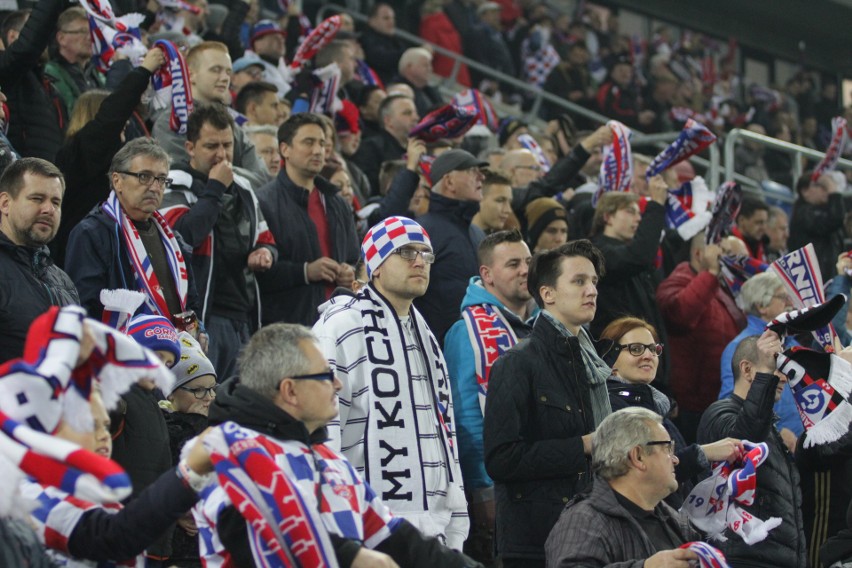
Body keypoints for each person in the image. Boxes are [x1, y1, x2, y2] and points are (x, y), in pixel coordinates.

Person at [200, 323, 481, 567]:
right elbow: (264, 537)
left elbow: (397, 540)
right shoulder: (230, 457)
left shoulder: (330, 461)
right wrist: (352, 557)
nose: (337, 384)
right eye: (324, 375)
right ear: (290, 390)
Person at [312, 216, 469, 548]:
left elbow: (444, 434)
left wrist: (457, 519)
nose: (419, 262)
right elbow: (322, 430)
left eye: (426, 254)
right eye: (406, 252)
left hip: (434, 530)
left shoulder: (425, 334)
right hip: (367, 528)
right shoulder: (340, 326)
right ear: (376, 266)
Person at [484, 240, 613, 567]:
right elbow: (501, 459)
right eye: (579, 281)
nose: (592, 290)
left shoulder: (590, 362)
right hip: (536, 541)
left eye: (594, 282)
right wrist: (581, 446)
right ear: (548, 294)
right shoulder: (517, 362)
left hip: (589, 531)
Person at [161, 104, 277, 380]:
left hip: (243, 316)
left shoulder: (244, 187)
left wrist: (265, 252)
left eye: (227, 145)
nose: (222, 154)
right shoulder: (174, 183)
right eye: (211, 145)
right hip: (202, 317)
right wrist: (214, 189)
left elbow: (265, 236)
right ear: (190, 147)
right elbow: (184, 237)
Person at [443, 229, 535, 563]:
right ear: (487, 274)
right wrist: (482, 489)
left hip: (546, 483)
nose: (526, 270)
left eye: (528, 261)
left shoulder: (547, 324)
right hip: (500, 488)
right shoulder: (466, 332)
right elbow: (465, 418)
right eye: (513, 264)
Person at [599, 317, 743, 507]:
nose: (648, 356)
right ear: (610, 358)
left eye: (653, 349)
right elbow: (645, 471)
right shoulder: (611, 408)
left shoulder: (657, 407)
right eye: (636, 349)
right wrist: (703, 453)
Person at [697, 332, 807, 568]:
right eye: (774, 367)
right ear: (746, 370)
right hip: (743, 560)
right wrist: (766, 377)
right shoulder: (719, 414)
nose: (784, 378)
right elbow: (746, 438)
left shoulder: (771, 428)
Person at [65, 137, 201, 325]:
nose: (155, 187)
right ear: (117, 180)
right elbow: (84, 310)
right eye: (144, 176)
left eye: (161, 179)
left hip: (175, 350)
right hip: (122, 350)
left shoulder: (173, 240)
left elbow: (191, 302)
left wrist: (199, 330)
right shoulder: (91, 234)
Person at [545, 407, 704, 567]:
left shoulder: (674, 520)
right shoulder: (583, 521)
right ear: (638, 456)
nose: (675, 459)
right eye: (667, 448)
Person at [52, 48, 167, 267]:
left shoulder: (83, 153)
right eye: (121, 127)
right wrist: (144, 70)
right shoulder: (82, 150)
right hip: (81, 255)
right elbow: (112, 114)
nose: (124, 133)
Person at [255, 112, 359, 326]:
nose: (318, 151)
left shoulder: (337, 203)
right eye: (308, 142)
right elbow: (257, 274)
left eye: (322, 143)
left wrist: (350, 273)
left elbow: (353, 258)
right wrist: (305, 272)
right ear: (285, 149)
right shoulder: (263, 202)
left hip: (338, 325)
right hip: (287, 328)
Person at [656, 234, 748, 444]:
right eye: (726, 255)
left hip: (716, 400)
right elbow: (680, 314)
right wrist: (712, 272)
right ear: (700, 254)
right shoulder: (680, 281)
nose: (735, 264)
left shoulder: (724, 288)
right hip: (691, 406)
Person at [152, 41, 269, 188]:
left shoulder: (230, 124)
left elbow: (261, 179)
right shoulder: (170, 122)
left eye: (228, 72)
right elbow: (181, 177)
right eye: (216, 70)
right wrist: (230, 175)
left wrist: (222, 172)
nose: (225, 78)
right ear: (191, 75)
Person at [0, 158, 78, 364]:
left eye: (56, 202)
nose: (48, 209)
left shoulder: (64, 282)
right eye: (37, 198)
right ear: (5, 203)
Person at [719, 272, 803, 445]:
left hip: (804, 451)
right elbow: (732, 404)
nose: (790, 303)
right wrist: (777, 434)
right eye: (783, 297)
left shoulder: (793, 344)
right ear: (761, 306)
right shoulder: (738, 348)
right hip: (770, 449)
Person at [415, 149, 489, 343]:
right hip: (436, 349)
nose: (481, 177)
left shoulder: (478, 233)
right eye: (473, 171)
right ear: (449, 182)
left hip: (480, 347)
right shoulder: (422, 231)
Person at [160, 332, 216, 567]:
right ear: (172, 393)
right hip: (178, 550)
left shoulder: (217, 427)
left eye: (213, 389)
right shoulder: (164, 430)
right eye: (199, 390)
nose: (209, 398)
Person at [0, 1, 67, 161]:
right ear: (12, 36)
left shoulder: (47, 83)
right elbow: (27, 47)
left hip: (48, 177)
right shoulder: (8, 68)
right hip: (20, 178)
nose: (44, 41)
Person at [351, 94, 420, 194]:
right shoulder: (370, 148)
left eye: (415, 113)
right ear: (388, 121)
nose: (416, 118)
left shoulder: (416, 151)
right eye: (407, 113)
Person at [788, 170, 846, 279]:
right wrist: (834, 192)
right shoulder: (802, 213)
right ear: (805, 191)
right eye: (822, 187)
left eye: (827, 188)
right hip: (811, 280)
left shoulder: (826, 212)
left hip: (830, 279)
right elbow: (835, 219)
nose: (827, 191)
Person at [44, 7, 101, 118]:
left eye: (92, 32)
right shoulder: (51, 73)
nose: (90, 38)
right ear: (61, 38)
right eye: (82, 32)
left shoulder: (96, 73)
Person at [361, 3, 409, 85]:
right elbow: (381, 58)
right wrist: (407, 55)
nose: (391, 22)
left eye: (393, 18)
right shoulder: (367, 39)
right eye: (386, 18)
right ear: (372, 21)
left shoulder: (395, 40)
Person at [394, 47, 444, 116]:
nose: (430, 69)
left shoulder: (432, 91)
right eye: (425, 65)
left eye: (430, 65)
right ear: (409, 67)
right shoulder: (398, 89)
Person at [732, 196, 770, 262]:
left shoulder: (763, 244)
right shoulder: (728, 246)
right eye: (758, 222)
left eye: (765, 222)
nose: (764, 228)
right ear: (742, 220)